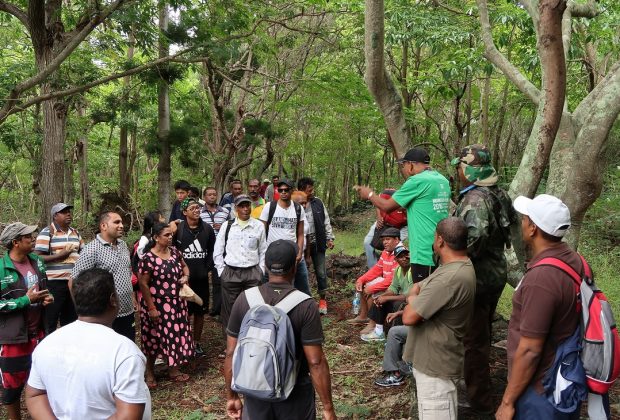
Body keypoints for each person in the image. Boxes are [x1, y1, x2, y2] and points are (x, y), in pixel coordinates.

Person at [223, 240, 336, 420]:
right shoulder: (305, 305)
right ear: (294, 267)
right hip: (294, 393)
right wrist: (328, 408)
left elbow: (231, 353)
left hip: (255, 390)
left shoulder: (244, 299)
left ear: (266, 267)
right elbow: (316, 362)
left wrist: (232, 396)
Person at [25, 268, 151, 420]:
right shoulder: (124, 351)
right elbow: (128, 415)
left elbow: (34, 394)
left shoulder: (46, 345)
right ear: (113, 299)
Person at [496, 194, 580, 420]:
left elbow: (530, 349)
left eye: (525, 218)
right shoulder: (574, 260)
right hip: (565, 378)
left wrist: (507, 402)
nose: (522, 222)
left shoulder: (541, 280)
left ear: (533, 228)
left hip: (541, 388)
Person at [451, 144, 516, 414]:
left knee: (474, 341)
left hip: (477, 279)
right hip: (495, 274)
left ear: (470, 170)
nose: (457, 171)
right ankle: (479, 388)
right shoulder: (499, 193)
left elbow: (473, 240)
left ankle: (480, 401)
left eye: (460, 166)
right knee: (481, 336)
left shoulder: (475, 200)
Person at [402, 217, 477, 420]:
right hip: (435, 362)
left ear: (441, 240)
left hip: (437, 369)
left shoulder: (449, 278)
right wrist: (416, 295)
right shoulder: (451, 268)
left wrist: (412, 298)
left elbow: (409, 316)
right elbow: (417, 287)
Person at [355, 147, 450, 282]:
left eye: (403, 165)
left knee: (422, 295)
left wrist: (369, 194)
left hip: (423, 251)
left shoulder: (416, 181)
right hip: (442, 250)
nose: (403, 169)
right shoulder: (442, 180)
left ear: (411, 164)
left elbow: (386, 206)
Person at [0, 223, 52, 420]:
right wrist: (25, 300)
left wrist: (47, 298)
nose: (33, 239)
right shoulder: (2, 269)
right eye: (28, 237)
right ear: (16, 242)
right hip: (12, 338)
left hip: (38, 334)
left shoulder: (37, 261)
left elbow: (44, 289)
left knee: (40, 381)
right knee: (12, 387)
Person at [138, 223, 194, 387]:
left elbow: (185, 267)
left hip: (176, 303)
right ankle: (149, 372)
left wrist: (186, 277)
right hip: (157, 304)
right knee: (153, 338)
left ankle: (173, 369)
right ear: (156, 237)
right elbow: (143, 284)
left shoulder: (175, 252)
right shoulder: (148, 258)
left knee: (174, 335)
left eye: (171, 235)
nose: (170, 237)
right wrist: (152, 308)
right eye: (166, 235)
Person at [72, 212, 136, 341]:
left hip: (127, 311)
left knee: (127, 346)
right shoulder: (92, 249)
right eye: (116, 222)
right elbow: (74, 281)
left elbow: (126, 272)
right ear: (103, 225)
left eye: (122, 222)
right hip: (104, 314)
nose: (122, 225)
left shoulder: (123, 245)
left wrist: (132, 296)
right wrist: (82, 310)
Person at [214, 195, 267, 330]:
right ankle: (230, 344)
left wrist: (260, 271)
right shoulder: (228, 226)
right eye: (242, 206)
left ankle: (250, 340)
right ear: (236, 208)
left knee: (253, 308)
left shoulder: (258, 226)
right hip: (231, 272)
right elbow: (218, 250)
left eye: (247, 205)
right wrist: (222, 271)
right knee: (230, 310)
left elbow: (263, 251)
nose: (245, 209)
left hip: (252, 273)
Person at [174, 197, 215, 356]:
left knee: (200, 312)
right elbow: (173, 252)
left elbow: (212, 250)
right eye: (193, 209)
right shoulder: (179, 229)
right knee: (184, 313)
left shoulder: (207, 229)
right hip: (184, 281)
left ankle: (196, 342)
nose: (197, 211)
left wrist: (208, 268)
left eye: (198, 208)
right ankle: (184, 342)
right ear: (184, 212)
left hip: (202, 279)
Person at [34, 203, 84, 333]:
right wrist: (60, 255)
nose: (68, 214)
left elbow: (84, 253)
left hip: (74, 283)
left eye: (69, 211)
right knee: (50, 319)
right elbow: (37, 258)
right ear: (55, 216)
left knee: (71, 320)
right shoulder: (47, 233)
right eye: (64, 212)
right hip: (54, 283)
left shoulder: (75, 233)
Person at [348, 227, 401, 342]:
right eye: (383, 240)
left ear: (397, 240)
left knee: (374, 291)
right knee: (363, 285)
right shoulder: (386, 252)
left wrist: (373, 287)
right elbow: (377, 269)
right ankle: (363, 316)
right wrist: (361, 279)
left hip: (395, 287)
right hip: (387, 282)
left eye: (388, 239)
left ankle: (373, 324)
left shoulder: (400, 253)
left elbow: (393, 280)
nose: (385, 242)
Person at [260, 179, 309, 295]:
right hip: (273, 254)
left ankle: (303, 309)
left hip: (293, 254)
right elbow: (261, 231)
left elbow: (301, 233)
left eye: (286, 190)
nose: (283, 192)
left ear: (291, 191)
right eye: (280, 190)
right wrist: (262, 253)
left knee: (302, 287)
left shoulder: (298, 208)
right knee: (270, 286)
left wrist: (300, 252)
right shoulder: (269, 207)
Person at [297, 177, 335, 315]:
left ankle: (323, 300)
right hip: (302, 246)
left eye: (312, 189)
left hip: (318, 243)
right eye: (309, 190)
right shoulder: (295, 204)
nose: (312, 192)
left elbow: (326, 220)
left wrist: (329, 237)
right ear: (301, 190)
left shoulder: (318, 202)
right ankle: (304, 301)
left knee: (321, 273)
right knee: (302, 273)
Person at [367, 245, 412, 333]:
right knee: (378, 299)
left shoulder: (412, 270)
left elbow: (409, 295)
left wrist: (386, 298)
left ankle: (394, 332)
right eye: (400, 257)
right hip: (402, 297)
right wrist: (382, 296)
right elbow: (393, 288)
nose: (404, 259)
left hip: (410, 300)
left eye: (406, 256)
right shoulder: (398, 270)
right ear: (396, 260)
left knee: (397, 304)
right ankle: (378, 331)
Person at [200, 186, 230, 316]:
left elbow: (231, 227)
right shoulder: (199, 212)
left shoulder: (225, 211)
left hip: (221, 249)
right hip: (205, 249)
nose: (212, 196)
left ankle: (217, 309)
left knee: (218, 279)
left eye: (214, 194)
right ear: (204, 197)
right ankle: (202, 306)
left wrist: (223, 227)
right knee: (202, 278)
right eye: (209, 195)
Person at [363, 189, 408, 269]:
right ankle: (373, 268)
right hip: (383, 222)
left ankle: (391, 270)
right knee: (367, 242)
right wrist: (379, 216)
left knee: (394, 247)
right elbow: (377, 203)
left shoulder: (408, 204)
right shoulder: (387, 194)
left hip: (402, 227)